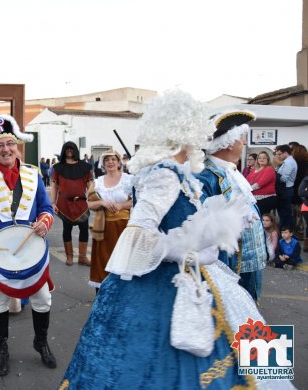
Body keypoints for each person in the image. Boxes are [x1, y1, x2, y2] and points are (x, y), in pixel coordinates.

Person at [61, 90, 286, 390]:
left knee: (253, 336)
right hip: (164, 287)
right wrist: (186, 247)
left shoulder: (179, 170)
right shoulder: (165, 172)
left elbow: (179, 218)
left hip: (197, 277)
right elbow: (139, 234)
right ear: (183, 129)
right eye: (196, 125)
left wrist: (213, 225)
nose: (203, 133)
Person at [0, 114, 56, 377]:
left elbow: (46, 207)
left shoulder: (33, 173)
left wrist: (44, 222)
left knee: (43, 299)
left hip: (32, 247)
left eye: (10, 143)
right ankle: (2, 347)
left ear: (17, 146)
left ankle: (40, 341)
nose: (5, 149)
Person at [197, 110, 267, 301]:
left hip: (249, 261)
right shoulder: (207, 176)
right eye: (240, 139)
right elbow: (203, 225)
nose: (243, 143)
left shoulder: (230, 170)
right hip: (233, 263)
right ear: (228, 144)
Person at [85, 149, 132, 292]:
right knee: (104, 262)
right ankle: (103, 295)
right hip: (103, 229)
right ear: (103, 164)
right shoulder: (98, 183)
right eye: (107, 160)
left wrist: (121, 205)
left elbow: (139, 201)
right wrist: (102, 203)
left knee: (124, 262)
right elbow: (87, 204)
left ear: (119, 162)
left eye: (113, 159)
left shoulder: (129, 180)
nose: (110, 162)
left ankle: (123, 295)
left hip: (125, 228)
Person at [50, 141, 92, 266]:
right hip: (65, 204)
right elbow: (54, 186)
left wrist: (93, 198)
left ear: (75, 150)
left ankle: (82, 257)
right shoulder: (58, 167)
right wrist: (53, 202)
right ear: (64, 150)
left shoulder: (84, 166)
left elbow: (90, 185)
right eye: (67, 149)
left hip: (81, 203)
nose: (69, 151)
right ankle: (69, 256)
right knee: (66, 229)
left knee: (84, 229)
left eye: (71, 148)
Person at [274, 144, 297, 231]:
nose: (278, 156)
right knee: (284, 213)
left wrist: (274, 174)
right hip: (285, 190)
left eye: (279, 154)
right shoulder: (287, 162)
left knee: (285, 213)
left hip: (286, 190)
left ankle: (287, 232)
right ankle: (285, 231)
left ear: (286, 153)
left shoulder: (289, 162)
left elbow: (283, 178)